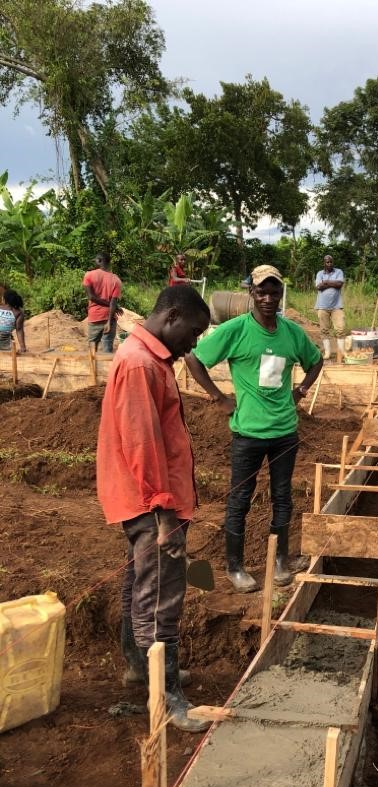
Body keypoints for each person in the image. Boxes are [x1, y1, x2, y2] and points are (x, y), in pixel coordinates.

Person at [96, 286, 212, 733]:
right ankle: (167, 696)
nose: (195, 343)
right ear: (173, 316)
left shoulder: (145, 357)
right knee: (161, 595)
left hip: (142, 496)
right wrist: (164, 513)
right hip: (152, 502)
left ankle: (139, 668)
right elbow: (143, 443)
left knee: (139, 584)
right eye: (194, 332)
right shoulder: (141, 364)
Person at [185, 265, 324, 592]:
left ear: (280, 295)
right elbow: (193, 358)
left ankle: (280, 562)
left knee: (282, 497)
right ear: (251, 292)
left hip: (285, 432)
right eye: (261, 291)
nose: (267, 298)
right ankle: (235, 567)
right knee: (240, 500)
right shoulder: (235, 330)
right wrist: (218, 397)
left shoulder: (291, 333)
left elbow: (315, 361)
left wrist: (300, 391)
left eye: (273, 292)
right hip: (248, 433)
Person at [83, 253, 122, 353]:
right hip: (110, 319)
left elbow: (91, 297)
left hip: (94, 317)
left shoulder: (89, 275)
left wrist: (112, 305)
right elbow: (113, 302)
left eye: (95, 260)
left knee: (92, 350)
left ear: (100, 261)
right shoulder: (116, 280)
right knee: (107, 350)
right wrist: (109, 321)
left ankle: (93, 369)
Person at [314, 253, 346, 360]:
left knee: (340, 329)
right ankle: (327, 353)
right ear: (324, 263)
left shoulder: (339, 271)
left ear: (333, 262)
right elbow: (319, 287)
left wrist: (326, 282)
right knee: (324, 330)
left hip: (337, 306)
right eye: (327, 262)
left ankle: (341, 353)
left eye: (331, 261)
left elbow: (339, 284)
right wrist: (332, 283)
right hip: (322, 306)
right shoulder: (319, 273)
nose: (329, 263)